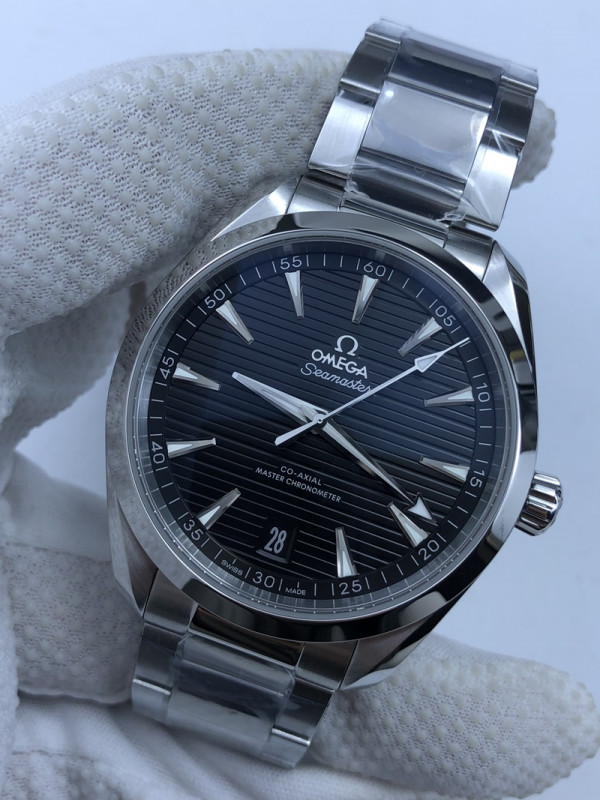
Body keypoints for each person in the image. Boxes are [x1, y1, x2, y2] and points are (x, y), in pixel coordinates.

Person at [0, 46, 598, 799]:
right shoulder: (270, 232)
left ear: (520, 499)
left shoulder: (482, 323)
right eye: (314, 417)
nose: (317, 423)